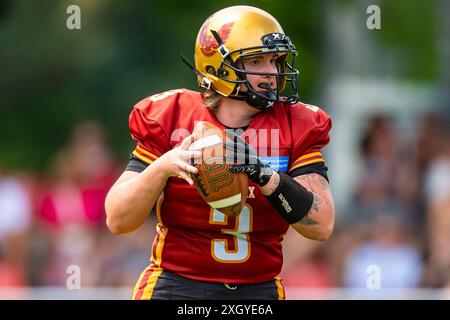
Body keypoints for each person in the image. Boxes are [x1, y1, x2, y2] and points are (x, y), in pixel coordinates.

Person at [105, 5, 335, 300]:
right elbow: (118, 220)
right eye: (257, 61)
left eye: (275, 61)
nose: (272, 73)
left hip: (257, 290)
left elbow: (322, 225)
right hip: (177, 286)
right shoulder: (172, 116)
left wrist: (264, 174)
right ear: (219, 67)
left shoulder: (297, 123)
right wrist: (162, 167)